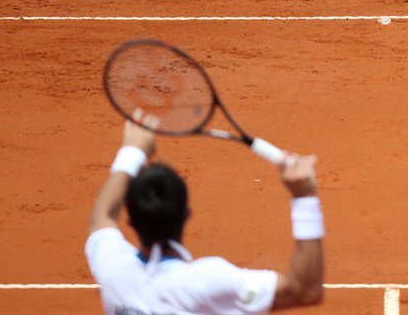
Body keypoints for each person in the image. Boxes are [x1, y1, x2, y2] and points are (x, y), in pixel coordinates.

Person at [86, 117, 325, 313]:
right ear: (187, 213)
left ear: (130, 222)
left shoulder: (113, 267)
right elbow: (304, 291)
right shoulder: (205, 282)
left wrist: (132, 152)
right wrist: (304, 196)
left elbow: (102, 217)